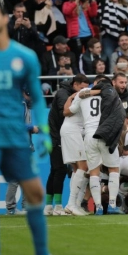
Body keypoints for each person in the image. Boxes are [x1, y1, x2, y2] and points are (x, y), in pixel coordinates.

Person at [0, 0, 52, 255]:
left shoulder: (25, 56)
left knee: (36, 193)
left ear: (5, 19)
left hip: (16, 136)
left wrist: (45, 132)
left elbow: (37, 98)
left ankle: (42, 253)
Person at [67, 76, 126, 215]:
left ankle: (98, 207)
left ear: (95, 83)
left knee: (94, 172)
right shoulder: (112, 95)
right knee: (113, 170)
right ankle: (112, 204)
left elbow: (71, 110)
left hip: (89, 135)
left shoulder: (84, 93)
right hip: (106, 133)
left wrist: (73, 97)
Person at [44, 74, 89, 216]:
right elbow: (66, 112)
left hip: (57, 135)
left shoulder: (66, 92)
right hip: (56, 136)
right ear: (75, 84)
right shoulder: (64, 94)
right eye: (81, 88)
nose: (83, 91)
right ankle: (57, 206)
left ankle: (48, 206)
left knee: (56, 170)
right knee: (60, 170)